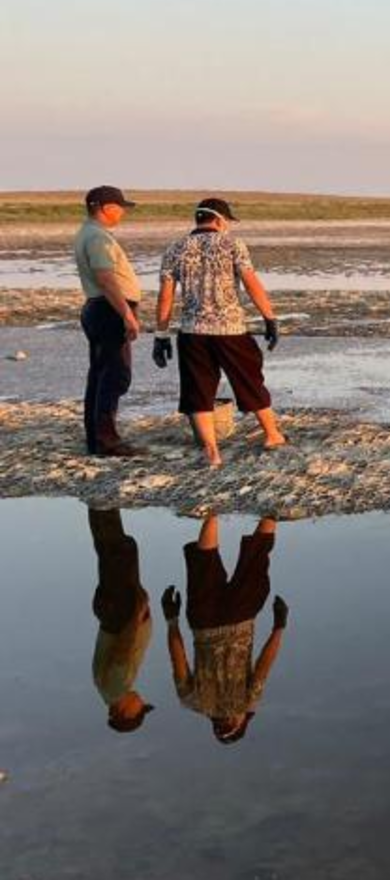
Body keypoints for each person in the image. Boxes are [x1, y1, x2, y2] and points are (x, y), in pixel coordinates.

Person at [151, 197, 287, 467]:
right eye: (227, 221)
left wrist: (161, 334)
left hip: (192, 331)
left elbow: (165, 297)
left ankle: (212, 451)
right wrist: (269, 318)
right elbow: (251, 283)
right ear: (219, 220)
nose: (227, 226)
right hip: (231, 329)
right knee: (249, 380)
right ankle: (272, 435)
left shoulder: (175, 248)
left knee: (198, 390)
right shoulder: (233, 244)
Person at [162, 514, 288, 745]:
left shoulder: (247, 703)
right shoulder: (193, 702)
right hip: (203, 623)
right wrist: (171, 619)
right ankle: (212, 511)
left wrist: (279, 626)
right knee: (205, 560)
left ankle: (273, 511)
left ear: (238, 723)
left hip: (239, 619)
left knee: (256, 559)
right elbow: (177, 657)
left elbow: (264, 664)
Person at [73, 185, 144, 456]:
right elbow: (106, 278)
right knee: (115, 374)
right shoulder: (97, 238)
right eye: (120, 206)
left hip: (100, 309)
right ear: (105, 207)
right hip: (108, 311)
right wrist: (126, 314)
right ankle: (106, 439)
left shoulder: (90, 233)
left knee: (101, 373)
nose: (123, 212)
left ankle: (97, 438)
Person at [88, 507, 156, 733]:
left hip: (120, 612)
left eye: (140, 708)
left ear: (126, 712)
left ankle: (103, 503)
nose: (141, 701)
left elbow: (123, 651)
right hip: (113, 611)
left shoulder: (116, 689)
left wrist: (137, 614)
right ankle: (98, 505)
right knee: (109, 552)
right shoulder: (105, 689)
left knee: (119, 551)